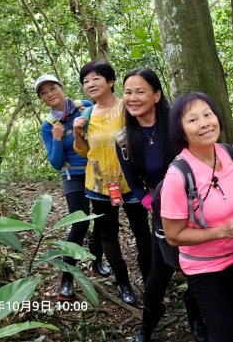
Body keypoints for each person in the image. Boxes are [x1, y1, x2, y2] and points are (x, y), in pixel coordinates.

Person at [113, 68, 207, 342]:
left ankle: (196, 316)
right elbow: (134, 182)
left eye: (140, 91)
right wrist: (151, 204)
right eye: (128, 92)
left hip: (198, 207)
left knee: (199, 267)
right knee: (159, 275)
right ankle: (146, 328)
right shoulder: (123, 139)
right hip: (163, 213)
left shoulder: (178, 127)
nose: (133, 98)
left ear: (156, 95)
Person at [161, 92, 233, 342]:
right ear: (181, 131)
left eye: (208, 114)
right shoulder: (178, 176)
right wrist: (222, 231)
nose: (204, 123)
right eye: (193, 120)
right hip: (206, 270)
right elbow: (173, 235)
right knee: (224, 336)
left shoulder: (228, 153)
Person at [73, 61, 152, 305]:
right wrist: (77, 132)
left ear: (110, 81)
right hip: (98, 184)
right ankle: (123, 283)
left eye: (95, 78)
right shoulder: (86, 115)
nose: (90, 84)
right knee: (108, 235)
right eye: (85, 81)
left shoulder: (126, 108)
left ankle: (150, 281)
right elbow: (84, 152)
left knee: (142, 233)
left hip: (131, 183)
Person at [35, 74, 110, 301]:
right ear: (42, 99)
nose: (50, 94)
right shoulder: (49, 126)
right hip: (73, 175)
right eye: (44, 92)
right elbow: (56, 163)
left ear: (61, 87)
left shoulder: (85, 107)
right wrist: (57, 139)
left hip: (96, 170)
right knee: (79, 221)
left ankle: (97, 259)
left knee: (102, 218)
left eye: (52, 88)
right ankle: (67, 277)